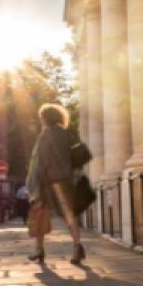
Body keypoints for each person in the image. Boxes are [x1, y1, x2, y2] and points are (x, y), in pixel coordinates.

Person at [26, 103, 85, 265]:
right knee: (69, 215)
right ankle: (77, 247)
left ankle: (39, 249)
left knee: (40, 215)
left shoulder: (46, 135)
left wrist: (35, 182)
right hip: (66, 179)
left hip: (48, 181)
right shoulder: (65, 133)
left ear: (44, 118)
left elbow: (42, 160)